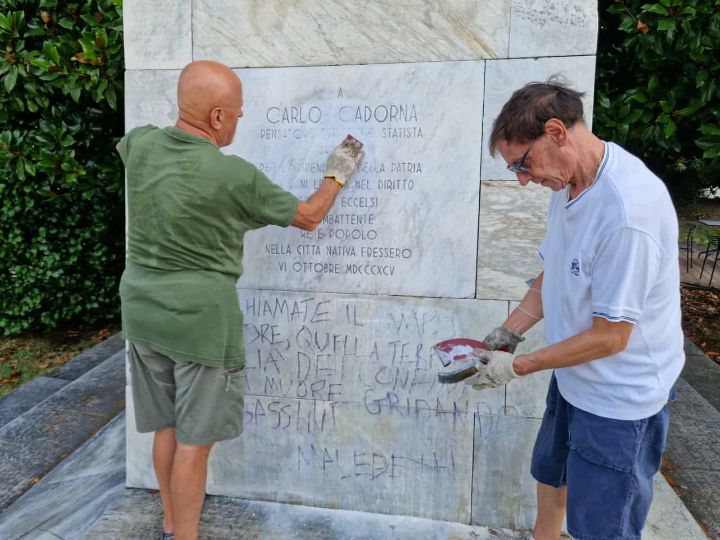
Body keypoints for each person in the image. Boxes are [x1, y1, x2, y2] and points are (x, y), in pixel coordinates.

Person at [116, 60, 363, 540]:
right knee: (194, 443)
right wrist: (337, 173)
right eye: (237, 113)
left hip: (142, 309)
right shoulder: (232, 176)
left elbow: (123, 147)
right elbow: (310, 217)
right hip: (200, 321)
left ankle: (170, 522)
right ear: (215, 118)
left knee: (165, 427)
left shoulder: (141, 143)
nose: (239, 120)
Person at [454, 80, 684, 539]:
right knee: (550, 473)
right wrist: (507, 332)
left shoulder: (627, 214)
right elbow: (553, 272)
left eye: (522, 164)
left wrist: (517, 367)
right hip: (575, 378)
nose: (522, 179)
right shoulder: (569, 185)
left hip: (620, 403)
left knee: (602, 526)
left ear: (556, 131)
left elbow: (611, 336)